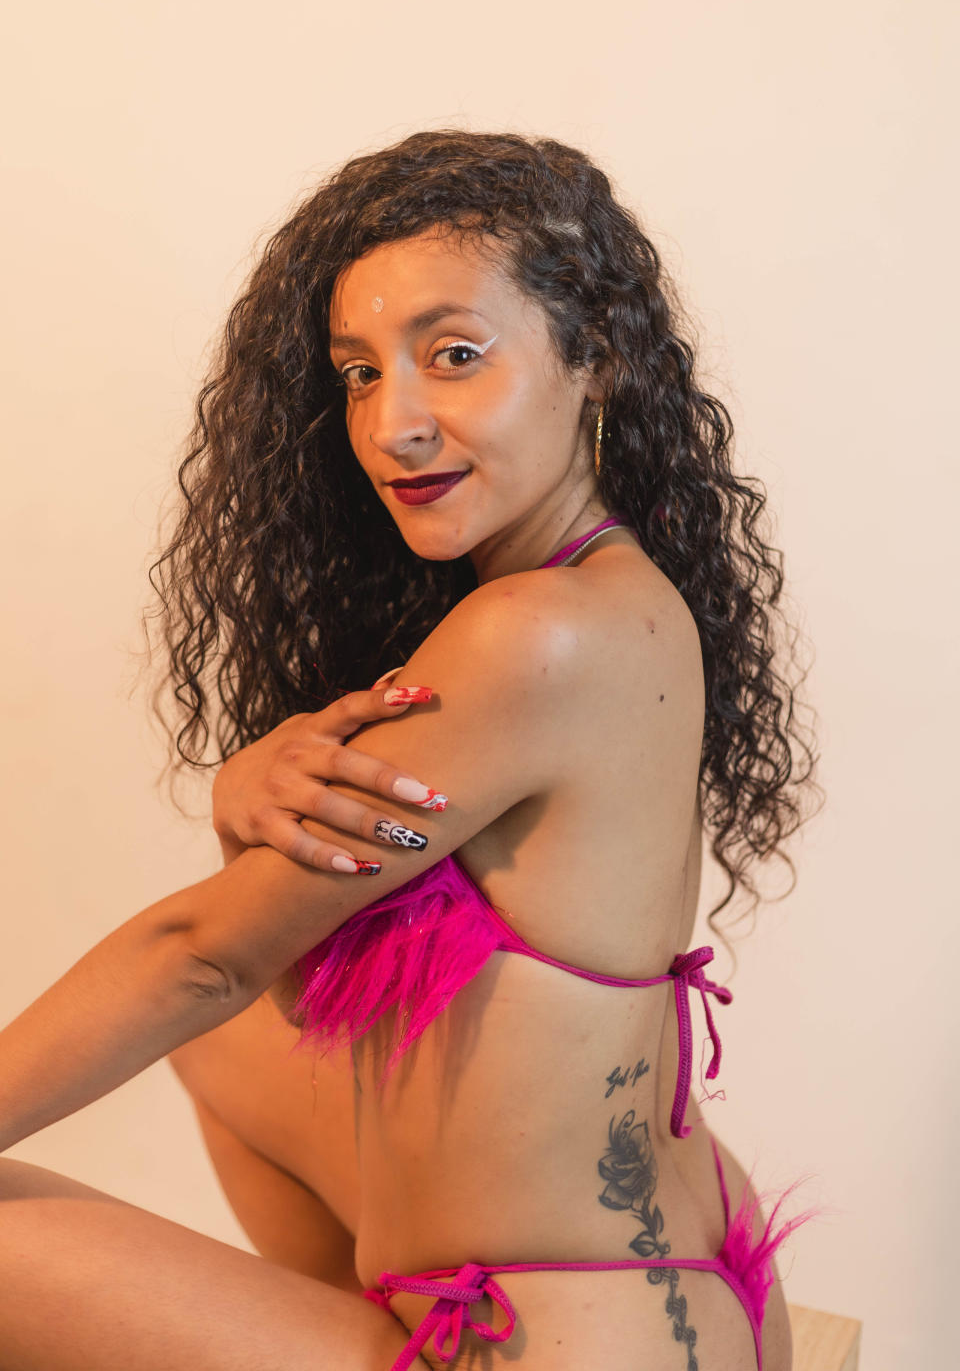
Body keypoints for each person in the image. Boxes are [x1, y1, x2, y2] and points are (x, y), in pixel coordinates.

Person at [0, 130, 820, 1370]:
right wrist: (240, 798)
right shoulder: (611, 596)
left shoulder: (535, 637)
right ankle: (352, 1311)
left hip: (563, 1339)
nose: (393, 424)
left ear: (594, 357)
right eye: (359, 373)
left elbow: (204, 956)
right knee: (230, 1049)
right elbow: (297, 973)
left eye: (454, 356)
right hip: (680, 1295)